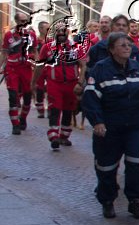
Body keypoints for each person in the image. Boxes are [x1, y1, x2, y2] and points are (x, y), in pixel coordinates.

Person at [80, 32, 139, 219]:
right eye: (122, 45)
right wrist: (97, 122)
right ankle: (107, 201)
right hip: (109, 127)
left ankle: (135, 201)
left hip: (134, 126)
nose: (127, 48)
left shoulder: (136, 68)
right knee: (107, 166)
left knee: (135, 164)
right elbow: (90, 99)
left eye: (129, 45)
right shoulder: (100, 70)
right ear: (111, 50)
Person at [32, 21, 87, 150]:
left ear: (67, 32)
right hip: (54, 84)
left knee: (69, 109)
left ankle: (64, 135)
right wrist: (34, 82)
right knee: (55, 109)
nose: (61, 33)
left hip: (71, 84)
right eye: (58, 31)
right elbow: (40, 66)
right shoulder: (47, 47)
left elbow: (83, 65)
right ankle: (54, 136)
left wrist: (80, 82)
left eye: (63, 31)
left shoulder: (75, 47)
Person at [2, 12, 37, 134]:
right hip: (12, 69)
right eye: (22, 21)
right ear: (17, 21)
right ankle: (15, 125)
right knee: (13, 97)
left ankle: (23, 118)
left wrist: (37, 65)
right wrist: (1, 66)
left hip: (26, 69)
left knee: (27, 97)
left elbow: (34, 51)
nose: (24, 23)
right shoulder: (9, 35)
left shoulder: (32, 35)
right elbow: (5, 51)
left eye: (26, 21)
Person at [33, 20, 50, 120]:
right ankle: (40, 110)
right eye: (46, 28)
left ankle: (51, 107)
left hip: (49, 67)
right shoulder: (35, 41)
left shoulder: (51, 41)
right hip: (39, 68)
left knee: (50, 88)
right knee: (39, 88)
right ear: (40, 29)